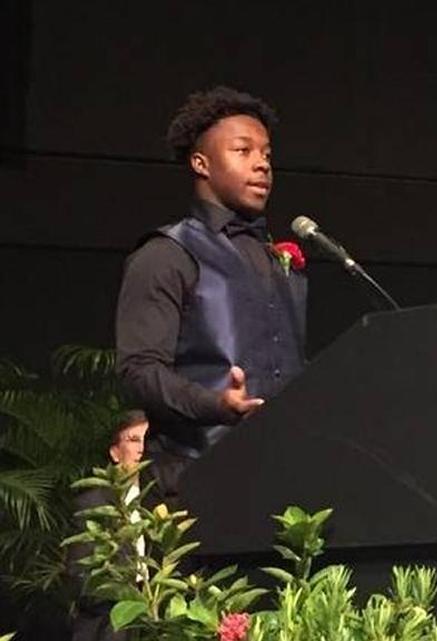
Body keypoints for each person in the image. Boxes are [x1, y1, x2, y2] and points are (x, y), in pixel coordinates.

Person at [115, 86, 306, 498]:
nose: (262, 164)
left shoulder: (274, 258)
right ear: (201, 163)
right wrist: (215, 404)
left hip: (278, 478)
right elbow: (139, 371)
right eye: (243, 150)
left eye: (267, 154)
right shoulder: (166, 253)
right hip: (191, 479)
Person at [67, 410, 150, 641]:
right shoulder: (93, 504)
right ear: (115, 452)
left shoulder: (162, 502)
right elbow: (81, 580)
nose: (142, 449)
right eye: (133, 440)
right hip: (108, 628)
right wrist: (129, 595)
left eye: (147, 440)